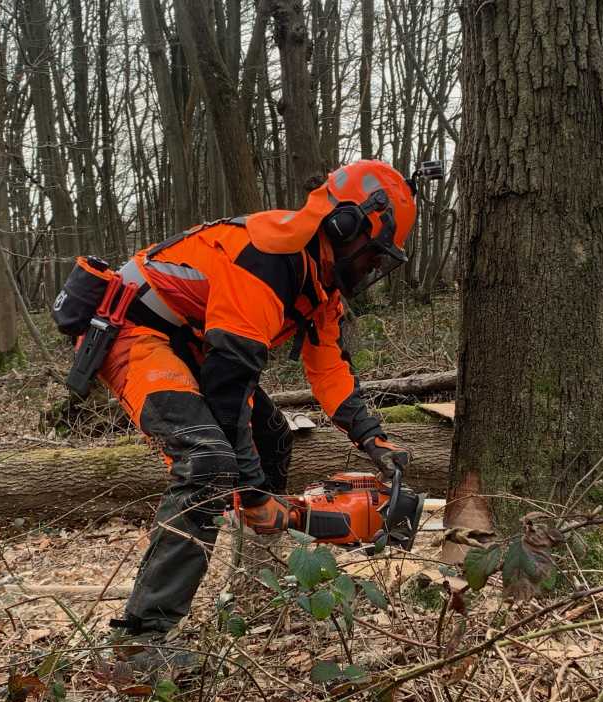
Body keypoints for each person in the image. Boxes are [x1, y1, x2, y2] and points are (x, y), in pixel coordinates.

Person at [95, 160, 417, 667]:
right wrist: (251, 492)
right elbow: (229, 390)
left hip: (192, 342)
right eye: (370, 256)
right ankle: (139, 643)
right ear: (346, 224)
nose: (370, 268)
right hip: (136, 330)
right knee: (206, 460)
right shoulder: (270, 255)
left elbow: (329, 371)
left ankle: (253, 575)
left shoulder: (320, 287)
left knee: (271, 436)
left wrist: (375, 440)